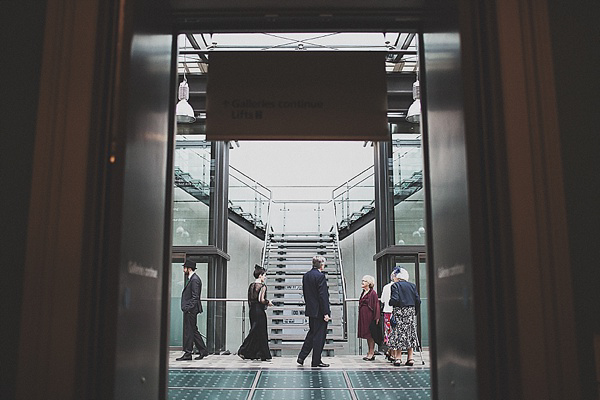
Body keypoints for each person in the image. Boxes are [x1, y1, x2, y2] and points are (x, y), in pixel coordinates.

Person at [297, 255, 331, 368]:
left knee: (312, 334)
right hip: (320, 311)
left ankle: (302, 356)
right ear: (321, 265)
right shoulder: (320, 276)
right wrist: (326, 312)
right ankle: (316, 360)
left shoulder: (306, 276)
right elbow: (323, 296)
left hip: (311, 310)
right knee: (319, 337)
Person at [237, 265, 274, 361]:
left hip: (252, 311)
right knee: (260, 332)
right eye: (264, 275)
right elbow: (261, 299)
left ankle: (253, 353)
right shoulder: (262, 286)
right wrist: (268, 302)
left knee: (254, 331)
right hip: (259, 312)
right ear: (260, 275)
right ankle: (245, 350)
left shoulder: (251, 286)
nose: (265, 277)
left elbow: (251, 299)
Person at [176, 260, 209, 361]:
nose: (183, 270)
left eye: (184, 268)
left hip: (191, 310)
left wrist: (187, 308)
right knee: (193, 331)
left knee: (189, 331)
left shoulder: (194, 280)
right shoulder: (193, 279)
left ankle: (188, 353)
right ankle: (202, 350)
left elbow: (195, 297)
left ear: (189, 268)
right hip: (191, 310)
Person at [388, 268, 421, 366]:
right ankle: (410, 358)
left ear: (397, 277)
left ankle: (398, 358)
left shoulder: (395, 286)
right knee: (410, 333)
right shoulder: (412, 286)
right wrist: (415, 312)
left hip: (399, 311)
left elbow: (395, 299)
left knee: (399, 333)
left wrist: (390, 302)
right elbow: (418, 300)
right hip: (410, 311)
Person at [357, 275, 380, 361]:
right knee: (367, 334)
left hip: (369, 316)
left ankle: (371, 352)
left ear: (369, 283)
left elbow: (376, 305)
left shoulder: (373, 293)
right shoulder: (363, 292)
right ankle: (369, 351)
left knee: (371, 334)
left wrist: (376, 317)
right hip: (363, 316)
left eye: (364, 281)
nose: (362, 282)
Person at [379, 267, 400, 361]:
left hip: (387, 311)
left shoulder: (386, 287)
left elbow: (383, 300)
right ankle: (394, 353)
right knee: (396, 332)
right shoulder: (400, 286)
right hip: (397, 311)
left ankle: (391, 352)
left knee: (388, 332)